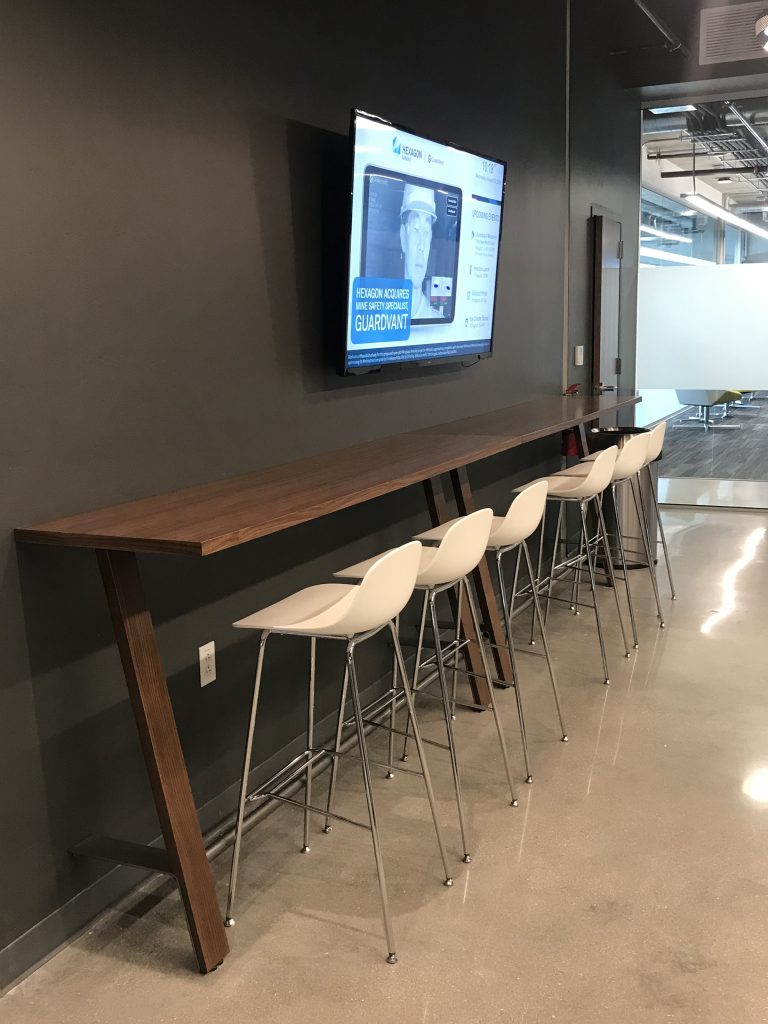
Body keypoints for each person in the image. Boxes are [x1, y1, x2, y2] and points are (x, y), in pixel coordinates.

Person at [400, 184, 444, 319]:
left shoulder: (439, 323)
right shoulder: (379, 319)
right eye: (416, 229)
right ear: (403, 237)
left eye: (426, 233)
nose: (422, 245)